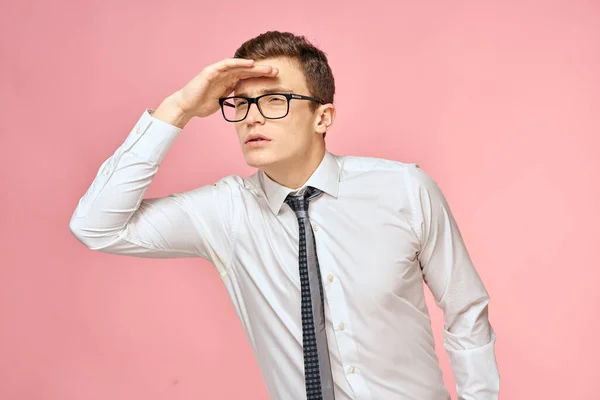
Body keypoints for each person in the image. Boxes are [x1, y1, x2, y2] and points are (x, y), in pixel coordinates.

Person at [69, 30, 500, 400]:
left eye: (275, 100)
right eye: (241, 104)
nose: (252, 117)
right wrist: (180, 107)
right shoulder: (226, 213)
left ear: (323, 116)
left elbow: (465, 309)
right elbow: (95, 227)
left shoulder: (403, 188)